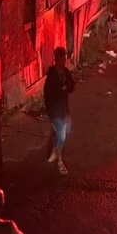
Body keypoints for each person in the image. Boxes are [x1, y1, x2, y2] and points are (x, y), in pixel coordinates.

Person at [43, 46, 76, 175]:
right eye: (60, 59)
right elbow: (48, 95)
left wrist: (65, 87)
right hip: (55, 110)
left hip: (64, 109)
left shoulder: (65, 72)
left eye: (64, 59)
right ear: (55, 59)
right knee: (61, 135)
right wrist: (50, 112)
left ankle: (53, 151)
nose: (63, 62)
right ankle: (60, 162)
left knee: (62, 133)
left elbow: (72, 85)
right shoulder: (51, 76)